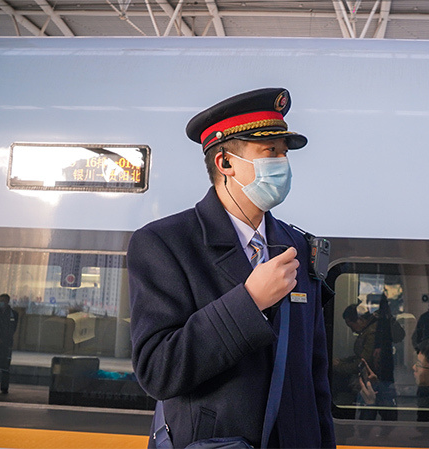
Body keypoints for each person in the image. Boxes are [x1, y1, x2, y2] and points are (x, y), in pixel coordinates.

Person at [128, 88, 335, 448]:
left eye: (284, 153)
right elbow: (158, 370)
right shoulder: (165, 244)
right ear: (225, 163)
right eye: (270, 152)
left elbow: (314, 373)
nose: (282, 163)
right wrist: (250, 302)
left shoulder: (296, 245)